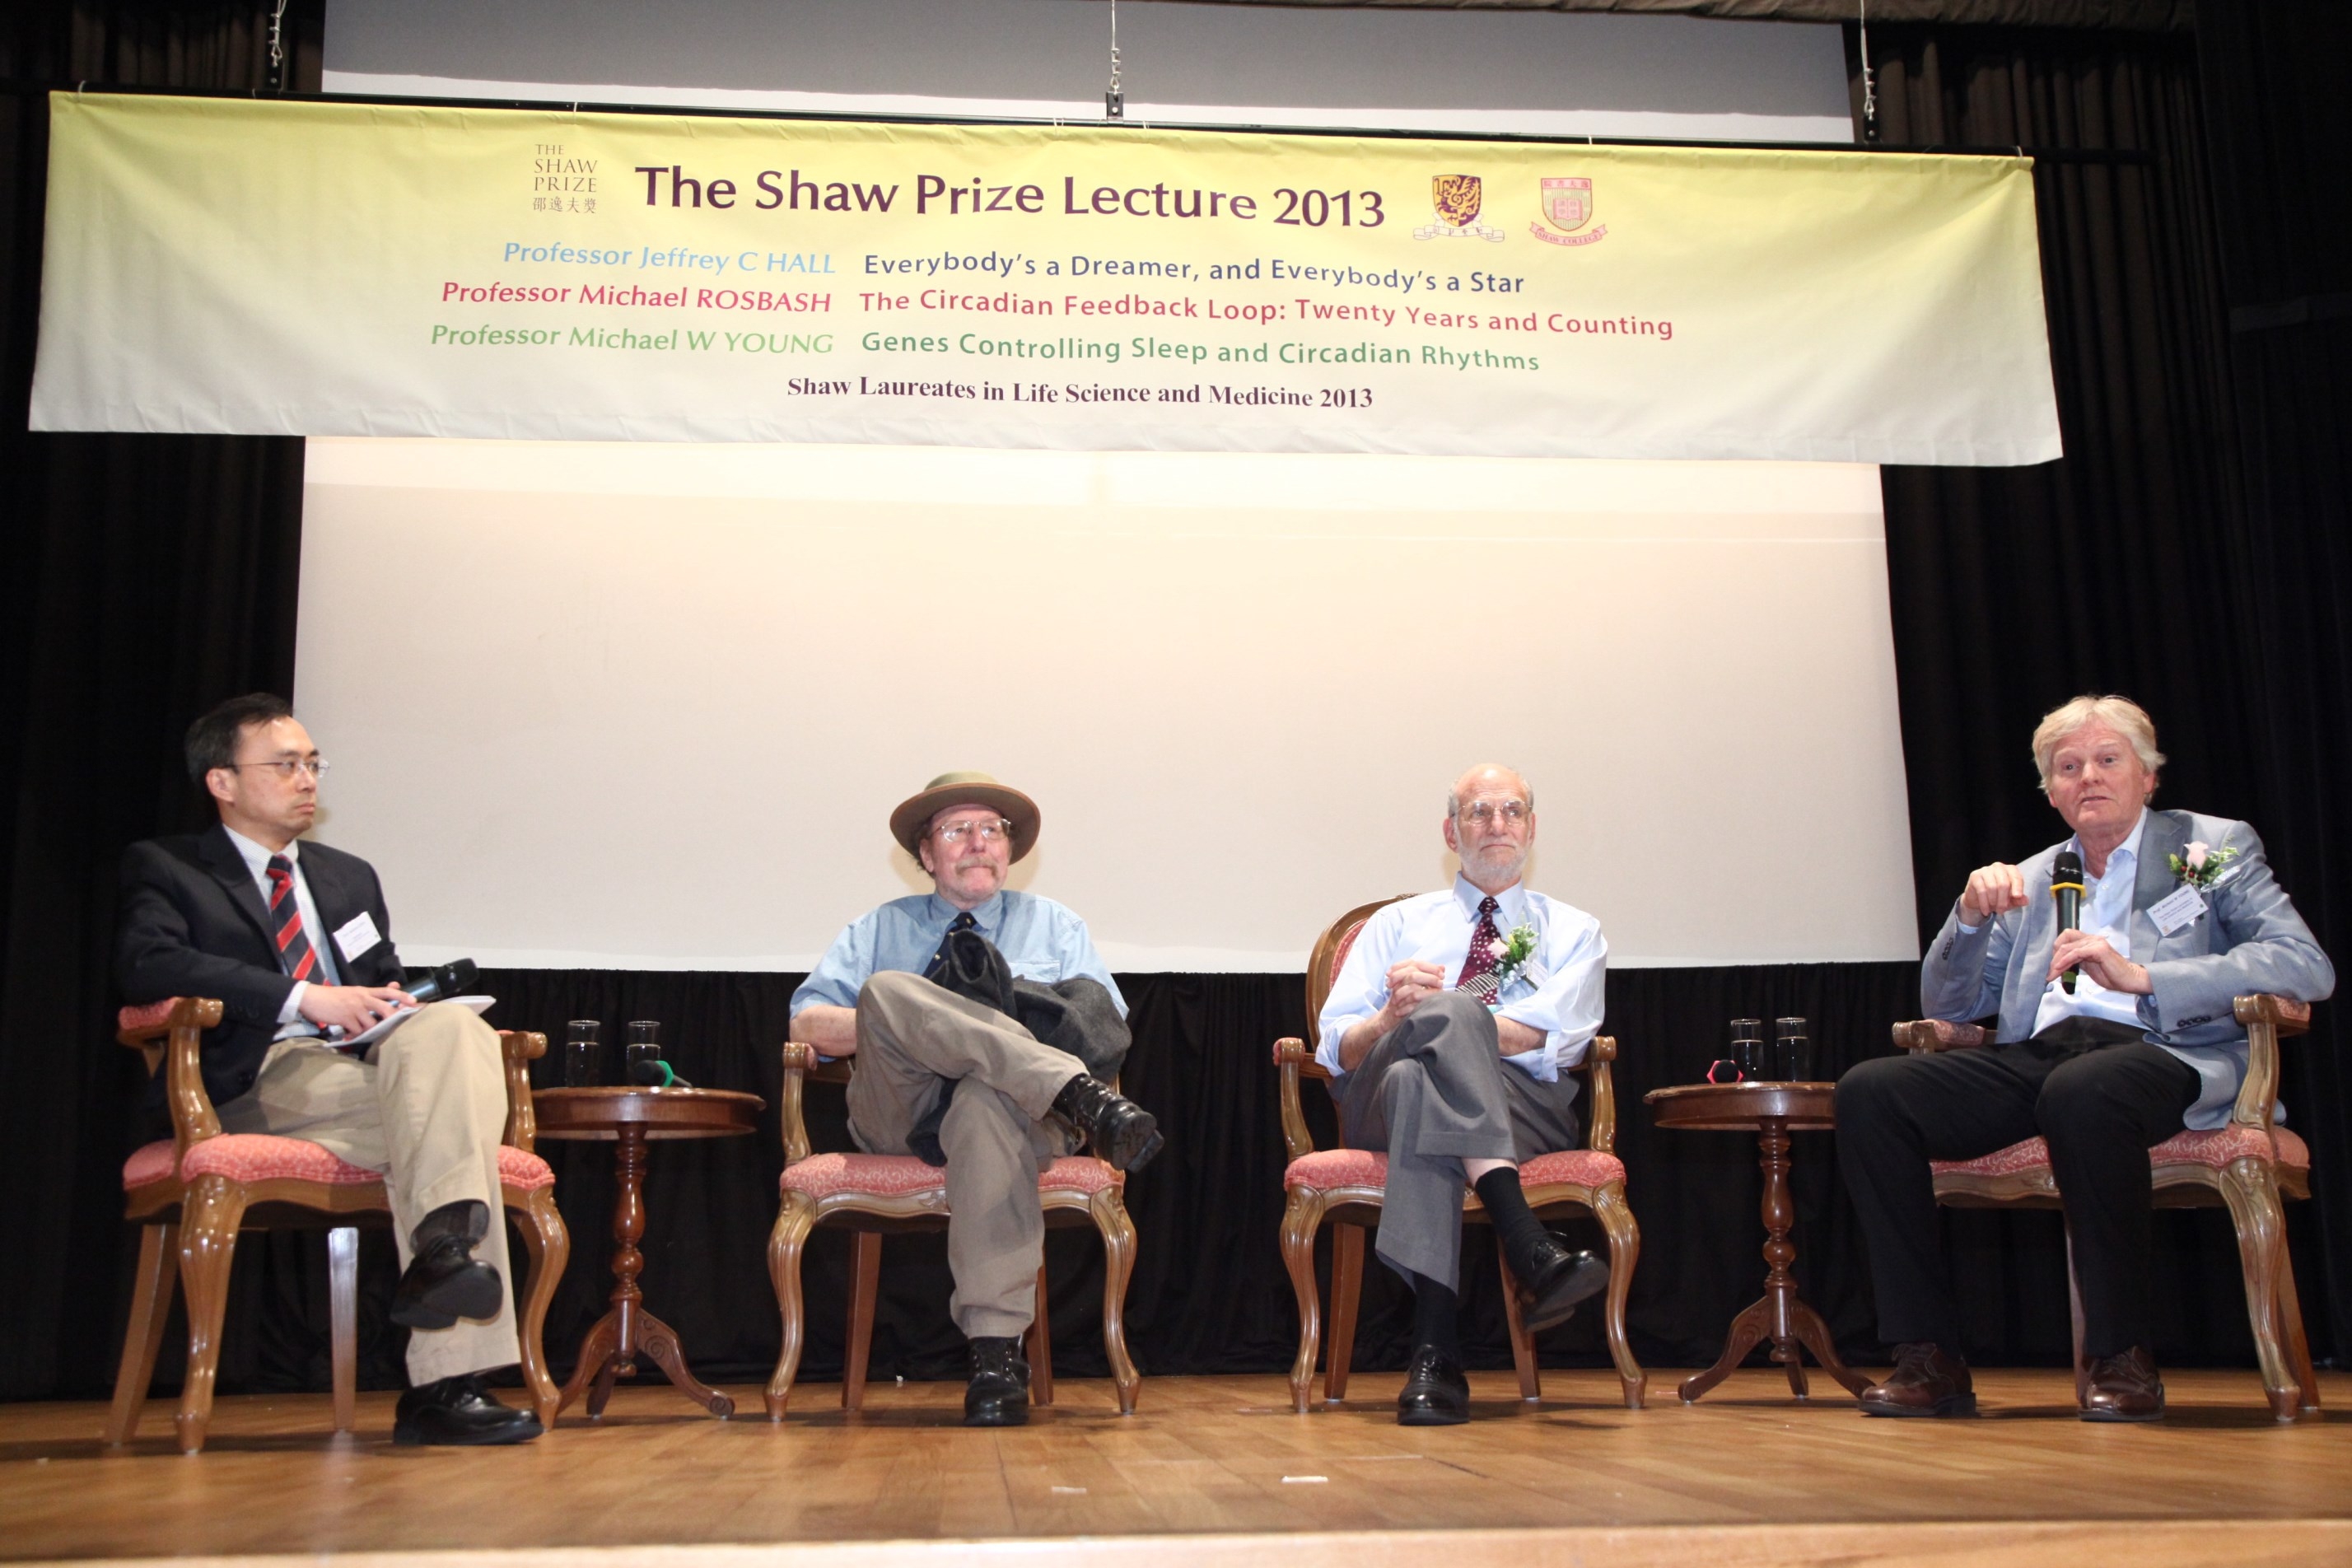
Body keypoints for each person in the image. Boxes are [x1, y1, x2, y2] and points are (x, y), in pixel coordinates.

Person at [1837, 694, 2334, 1421]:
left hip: (2163, 1049)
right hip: (2043, 1056)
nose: (2089, 778)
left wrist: (2146, 977)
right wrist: (1969, 918)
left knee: (2087, 1090)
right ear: (2052, 791)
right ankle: (1928, 1356)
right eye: (2068, 768)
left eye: (2107, 760)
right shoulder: (2036, 875)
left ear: (2148, 776)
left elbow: (2304, 965)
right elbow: (1947, 1007)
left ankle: (2122, 1355)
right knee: (1872, 1092)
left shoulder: (2209, 847)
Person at [115, 693, 542, 1445]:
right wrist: (305, 997)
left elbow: (378, 976)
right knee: (458, 1130)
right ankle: (448, 1383)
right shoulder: (172, 867)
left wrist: (392, 1003)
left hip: (363, 1075)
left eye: (313, 763)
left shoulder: (348, 876)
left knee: (450, 1027)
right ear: (222, 781)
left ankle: (444, 1259)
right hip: (259, 1079)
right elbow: (149, 965)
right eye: (285, 765)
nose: (308, 779)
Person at [788, 771, 1162, 1426]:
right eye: (957, 830)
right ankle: (1078, 1096)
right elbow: (807, 1025)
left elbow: (1107, 1029)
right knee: (886, 992)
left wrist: (994, 1037)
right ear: (927, 855)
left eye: (992, 829)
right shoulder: (883, 926)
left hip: (1021, 1117)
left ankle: (994, 1356)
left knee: (985, 1102)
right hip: (902, 1111)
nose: (978, 842)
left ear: (1011, 850)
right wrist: (918, 1020)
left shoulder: (1056, 927)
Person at [1315, 763, 1612, 1426]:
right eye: (1479, 812)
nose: (1496, 824)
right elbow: (1334, 1046)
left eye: (1511, 811)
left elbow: (1560, 1040)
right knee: (1409, 1058)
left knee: (1418, 1076)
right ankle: (1527, 1239)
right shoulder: (1394, 926)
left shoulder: (1575, 932)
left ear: (1532, 829)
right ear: (1451, 832)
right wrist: (1393, 1017)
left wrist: (1450, 1018)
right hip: (1375, 1110)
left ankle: (1435, 1349)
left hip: (1524, 1108)